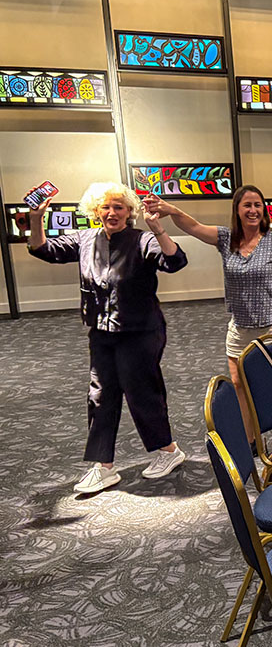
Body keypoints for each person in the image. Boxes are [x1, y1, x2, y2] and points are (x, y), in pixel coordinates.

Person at [27, 183, 188, 493]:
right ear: (95, 211)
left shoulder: (142, 240)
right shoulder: (85, 239)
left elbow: (175, 261)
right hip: (101, 331)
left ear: (129, 212)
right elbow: (43, 249)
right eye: (106, 207)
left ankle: (168, 451)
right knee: (100, 394)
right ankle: (103, 466)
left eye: (119, 207)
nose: (112, 212)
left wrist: (158, 230)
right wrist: (36, 219)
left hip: (140, 331)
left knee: (140, 391)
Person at [145, 186, 272, 443]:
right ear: (237, 210)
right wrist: (171, 209)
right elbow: (193, 226)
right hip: (240, 327)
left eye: (257, 205)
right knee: (239, 384)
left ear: (264, 210)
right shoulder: (225, 238)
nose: (252, 210)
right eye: (247, 205)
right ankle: (250, 440)